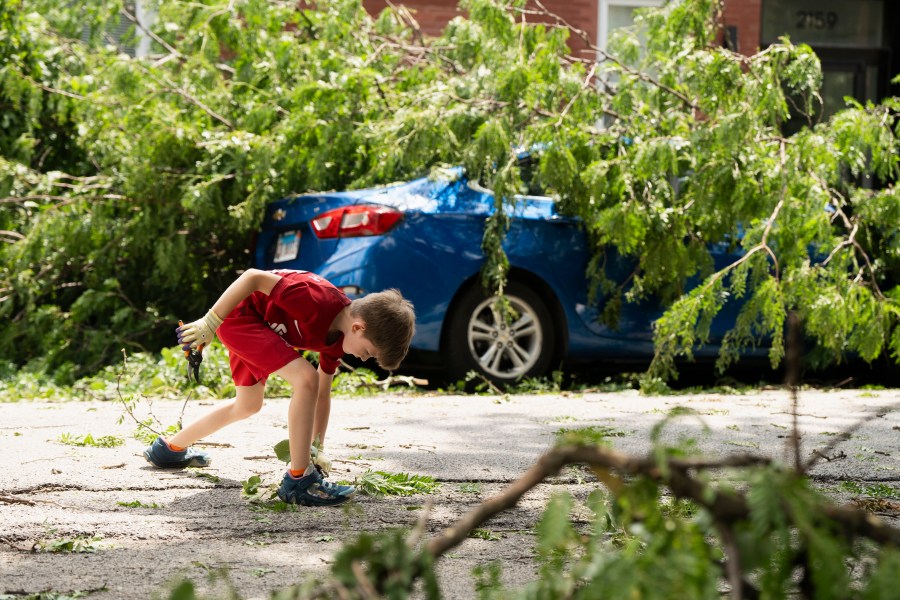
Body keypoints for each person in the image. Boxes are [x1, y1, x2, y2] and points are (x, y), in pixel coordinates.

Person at [142, 268, 415, 507]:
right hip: (240, 316)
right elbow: (253, 277)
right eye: (368, 352)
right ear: (358, 327)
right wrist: (209, 322)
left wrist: (316, 448)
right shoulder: (317, 300)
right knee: (305, 378)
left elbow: (322, 394)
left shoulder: (337, 340)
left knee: (248, 404)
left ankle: (169, 449)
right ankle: (299, 480)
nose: (363, 358)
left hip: (261, 327)